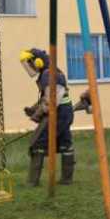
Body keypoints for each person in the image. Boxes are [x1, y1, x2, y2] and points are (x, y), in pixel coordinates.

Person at [20, 48, 75, 186]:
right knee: (65, 143)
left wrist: (37, 115)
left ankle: (32, 182)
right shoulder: (51, 71)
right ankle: (66, 179)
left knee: (37, 143)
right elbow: (49, 97)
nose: (29, 67)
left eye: (29, 63)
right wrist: (34, 109)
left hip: (59, 113)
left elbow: (51, 101)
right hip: (64, 111)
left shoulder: (48, 74)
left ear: (38, 62)